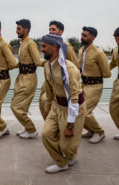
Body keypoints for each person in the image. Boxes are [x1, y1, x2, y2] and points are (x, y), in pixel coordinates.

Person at [41, 34, 85, 174]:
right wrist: (47, 109)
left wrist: (70, 125)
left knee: (67, 145)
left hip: (73, 107)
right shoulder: (47, 66)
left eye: (44, 46)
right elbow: (48, 90)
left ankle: (69, 154)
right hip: (56, 105)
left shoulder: (69, 69)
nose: (41, 49)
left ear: (54, 47)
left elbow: (74, 98)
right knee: (46, 134)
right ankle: (62, 163)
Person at [39, 21, 79, 120]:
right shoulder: (47, 46)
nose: (51, 31)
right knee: (43, 102)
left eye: (53, 29)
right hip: (49, 80)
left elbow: (75, 66)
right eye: (50, 29)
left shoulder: (66, 48)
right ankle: (49, 125)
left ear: (60, 32)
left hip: (61, 82)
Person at [11, 19, 43, 139]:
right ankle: (27, 128)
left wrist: (51, 63)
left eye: (19, 29)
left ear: (26, 29)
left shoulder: (30, 43)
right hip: (21, 77)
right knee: (21, 107)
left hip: (29, 78)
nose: (16, 31)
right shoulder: (22, 43)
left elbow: (38, 61)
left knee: (15, 106)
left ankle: (31, 129)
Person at [78, 27, 111, 144]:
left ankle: (100, 132)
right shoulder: (81, 50)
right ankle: (91, 130)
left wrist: (94, 74)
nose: (82, 37)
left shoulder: (99, 53)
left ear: (93, 38)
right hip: (83, 84)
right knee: (78, 109)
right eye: (82, 34)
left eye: (85, 35)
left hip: (95, 86)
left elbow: (107, 73)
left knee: (85, 111)